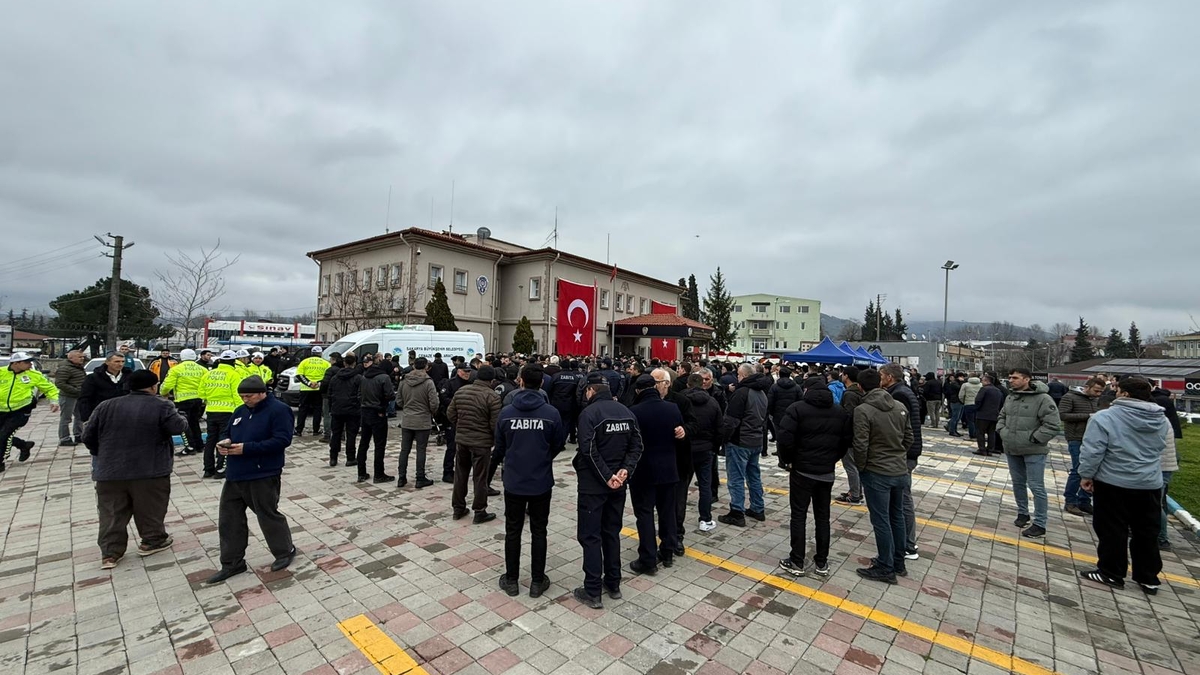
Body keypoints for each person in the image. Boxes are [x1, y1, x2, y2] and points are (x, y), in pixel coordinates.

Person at [82, 369, 185, 569]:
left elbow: (88, 436)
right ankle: (152, 541)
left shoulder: (106, 406)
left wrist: (102, 454)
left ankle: (110, 553)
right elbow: (177, 428)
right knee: (150, 507)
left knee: (111, 512)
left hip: (109, 471)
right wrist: (181, 416)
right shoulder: (161, 405)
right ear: (154, 386)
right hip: (149, 469)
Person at [1077, 376, 1167, 594]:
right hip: (1149, 483)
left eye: (1117, 390)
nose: (1114, 392)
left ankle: (1111, 572)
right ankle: (1148, 577)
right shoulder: (1161, 419)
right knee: (1146, 531)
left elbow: (1093, 450)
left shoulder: (1104, 417)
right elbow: (1159, 448)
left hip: (1113, 481)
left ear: (1125, 394)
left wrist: (1086, 475)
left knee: (1112, 529)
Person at [206, 376, 297, 584]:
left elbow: (282, 440)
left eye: (249, 396)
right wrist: (225, 441)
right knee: (229, 519)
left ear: (262, 393)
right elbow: (229, 431)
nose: (245, 399)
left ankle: (284, 551)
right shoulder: (240, 411)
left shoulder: (278, 410)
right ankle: (232, 562)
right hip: (236, 473)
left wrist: (247, 448)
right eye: (242, 396)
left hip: (263, 473)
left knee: (267, 514)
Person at [493, 366, 566, 598]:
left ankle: (512, 580)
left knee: (513, 531)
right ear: (542, 384)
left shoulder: (506, 413)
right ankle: (536, 581)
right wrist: (543, 458)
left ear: (521, 381)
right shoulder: (551, 414)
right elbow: (557, 445)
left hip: (514, 479)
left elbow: (500, 447)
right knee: (539, 531)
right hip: (540, 480)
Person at [573, 371, 643, 606]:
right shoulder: (626, 412)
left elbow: (588, 450)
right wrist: (624, 471)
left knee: (590, 536)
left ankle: (592, 590)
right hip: (617, 485)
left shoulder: (589, 414)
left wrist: (609, 476)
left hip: (595, 485)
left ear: (591, 391)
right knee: (611, 533)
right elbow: (637, 446)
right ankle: (613, 582)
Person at [776, 379, 850, 578]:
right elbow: (845, 442)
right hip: (826, 472)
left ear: (806, 389)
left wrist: (788, 461)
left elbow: (784, 438)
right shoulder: (839, 412)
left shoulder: (797, 409)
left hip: (802, 470)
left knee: (798, 515)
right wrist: (831, 459)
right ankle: (822, 562)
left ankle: (797, 560)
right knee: (822, 517)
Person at [851, 369, 914, 584]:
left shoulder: (863, 410)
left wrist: (863, 467)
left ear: (860, 387)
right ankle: (898, 561)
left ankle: (886, 566)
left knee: (881, 520)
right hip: (899, 469)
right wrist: (898, 454)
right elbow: (909, 438)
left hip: (877, 471)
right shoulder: (899, 406)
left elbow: (861, 444)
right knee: (896, 516)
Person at [628, 374, 684, 574]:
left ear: (638, 391)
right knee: (667, 512)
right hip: (669, 468)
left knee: (644, 514)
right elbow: (679, 435)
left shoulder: (634, 412)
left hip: (643, 471)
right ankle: (667, 551)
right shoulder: (672, 408)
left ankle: (648, 559)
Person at [997, 367, 1062, 539]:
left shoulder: (1043, 398)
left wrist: (1034, 438)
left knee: (1036, 486)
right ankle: (1023, 513)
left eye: (1015, 377)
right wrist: (1003, 431)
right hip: (1012, 448)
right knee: (1018, 483)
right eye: (1010, 377)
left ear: (1027, 379)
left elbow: (1053, 424)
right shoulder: (1011, 397)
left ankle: (1040, 523)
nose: (1011, 380)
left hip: (1034, 450)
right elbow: (1002, 417)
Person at [718, 364, 771, 527]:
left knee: (736, 477)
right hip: (755, 440)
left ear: (743, 376)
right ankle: (757, 507)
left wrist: (723, 439)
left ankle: (737, 511)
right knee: (753, 475)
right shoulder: (762, 393)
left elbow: (731, 421)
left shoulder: (742, 393)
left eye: (739, 376)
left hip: (740, 441)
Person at [447, 364, 502, 523]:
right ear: (492, 380)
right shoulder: (492, 396)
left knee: (460, 474)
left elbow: (450, 414)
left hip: (462, 440)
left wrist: (462, 425)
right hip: (481, 442)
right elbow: (495, 424)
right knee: (480, 477)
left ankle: (458, 508)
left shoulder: (461, 391)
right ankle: (480, 511)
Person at [879, 364, 922, 561]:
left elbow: (899, 427)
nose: (880, 379)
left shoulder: (899, 395)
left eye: (881, 375)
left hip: (904, 453)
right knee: (900, 498)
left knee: (903, 499)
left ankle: (907, 544)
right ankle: (903, 540)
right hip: (905, 451)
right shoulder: (902, 390)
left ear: (889, 377)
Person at [0, 353, 60, 471]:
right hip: (2, 410)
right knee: (2, 435)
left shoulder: (33, 375)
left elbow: (50, 388)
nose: (30, 364)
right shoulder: (1, 372)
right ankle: (23, 445)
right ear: (16, 363)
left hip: (21, 411)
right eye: (27, 362)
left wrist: (54, 401)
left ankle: (1, 461)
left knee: (4, 435)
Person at [681, 373, 722, 535]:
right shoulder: (712, 403)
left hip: (685, 449)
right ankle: (705, 519)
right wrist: (715, 448)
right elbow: (720, 428)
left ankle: (678, 521)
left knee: (681, 486)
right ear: (703, 384)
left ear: (688, 384)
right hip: (706, 450)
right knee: (705, 486)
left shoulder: (680, 401)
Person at [1058, 377, 1105, 515]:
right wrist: (1089, 416)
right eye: (1096, 390)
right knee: (1078, 470)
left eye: (1101, 391)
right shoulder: (1070, 397)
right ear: (1087, 387)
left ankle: (1084, 500)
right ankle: (1070, 501)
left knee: (1092, 470)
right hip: (1076, 437)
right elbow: (1063, 415)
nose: (1098, 394)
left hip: (1093, 438)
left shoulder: (1096, 400)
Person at [199, 351, 245, 479]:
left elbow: (201, 394)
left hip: (211, 411)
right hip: (228, 412)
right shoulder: (234, 374)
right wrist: (241, 412)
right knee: (224, 440)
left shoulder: (209, 374)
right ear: (234, 361)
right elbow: (237, 395)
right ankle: (221, 469)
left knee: (210, 440)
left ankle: (208, 469)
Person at [397, 357, 440, 488]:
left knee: (404, 450)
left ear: (414, 366)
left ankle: (401, 477)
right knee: (421, 449)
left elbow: (398, 400)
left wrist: (407, 407)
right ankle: (420, 477)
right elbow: (434, 402)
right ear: (426, 367)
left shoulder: (404, 381)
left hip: (407, 419)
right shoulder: (428, 382)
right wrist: (430, 411)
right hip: (422, 420)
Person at [1151, 383, 1183, 551]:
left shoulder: (1156, 417)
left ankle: (1162, 538)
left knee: (1154, 502)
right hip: (1165, 464)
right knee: (1156, 501)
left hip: (1159, 465)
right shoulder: (1162, 417)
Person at [160, 349, 209, 457]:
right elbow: (207, 384)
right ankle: (199, 445)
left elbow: (167, 385)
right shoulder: (202, 369)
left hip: (183, 400)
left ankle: (190, 447)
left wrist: (162, 393)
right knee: (194, 422)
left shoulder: (176, 369)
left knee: (183, 424)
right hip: (198, 399)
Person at [356, 353, 395, 484]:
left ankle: (361, 473)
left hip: (365, 411)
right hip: (378, 412)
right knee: (379, 445)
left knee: (363, 443)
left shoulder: (364, 377)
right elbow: (389, 395)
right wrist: (383, 405)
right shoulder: (384, 378)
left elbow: (359, 395)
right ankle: (378, 474)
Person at [834, 367, 865, 506]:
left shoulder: (850, 394)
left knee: (850, 466)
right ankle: (857, 491)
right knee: (856, 466)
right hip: (857, 434)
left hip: (850, 435)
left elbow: (849, 415)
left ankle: (855, 495)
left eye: (842, 373)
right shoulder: (859, 392)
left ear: (846, 376)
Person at [326, 353, 363, 467]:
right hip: (352, 410)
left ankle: (333, 457)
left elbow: (330, 394)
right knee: (351, 434)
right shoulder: (358, 378)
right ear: (354, 364)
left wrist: (332, 407)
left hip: (337, 409)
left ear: (344, 363)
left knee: (336, 434)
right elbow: (360, 394)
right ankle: (350, 458)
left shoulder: (335, 378)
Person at [79, 352, 132, 423]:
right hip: (102, 415)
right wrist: (86, 418)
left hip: (125, 415)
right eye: (117, 361)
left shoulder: (130, 377)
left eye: (123, 361)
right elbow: (85, 398)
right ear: (107, 362)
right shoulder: (93, 378)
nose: (120, 364)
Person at [293, 346, 329, 436]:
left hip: (305, 389)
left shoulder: (304, 362)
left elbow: (299, 375)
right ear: (321, 353)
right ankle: (316, 430)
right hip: (319, 389)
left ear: (311, 353)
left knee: (303, 409)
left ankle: (299, 430)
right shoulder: (326, 363)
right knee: (317, 409)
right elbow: (327, 377)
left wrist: (309, 383)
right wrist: (318, 383)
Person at [54, 349, 87, 446]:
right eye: (79, 357)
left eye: (82, 357)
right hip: (68, 396)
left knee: (79, 416)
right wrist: (75, 390)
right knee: (66, 418)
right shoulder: (65, 368)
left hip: (78, 396)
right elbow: (60, 383)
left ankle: (79, 435)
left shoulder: (78, 367)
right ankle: (64, 438)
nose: (82, 359)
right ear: (71, 358)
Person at [766, 368, 802, 456]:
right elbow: (801, 400)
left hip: (778, 414)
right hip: (793, 414)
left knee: (779, 434)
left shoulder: (774, 387)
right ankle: (790, 452)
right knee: (792, 434)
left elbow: (770, 401)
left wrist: (772, 412)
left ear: (780, 375)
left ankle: (780, 452)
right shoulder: (796, 387)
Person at [548, 360, 584, 444]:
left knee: (557, 422)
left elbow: (550, 390)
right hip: (569, 403)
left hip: (556, 403)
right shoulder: (574, 378)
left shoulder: (555, 376)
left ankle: (557, 440)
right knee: (566, 423)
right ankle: (562, 440)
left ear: (560, 366)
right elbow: (577, 392)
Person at [972, 374, 1005, 457]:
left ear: (987, 381)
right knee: (991, 433)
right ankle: (990, 449)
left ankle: (982, 449)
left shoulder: (984, 389)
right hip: (994, 415)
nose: (981, 382)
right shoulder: (998, 391)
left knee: (980, 432)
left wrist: (977, 409)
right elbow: (1001, 403)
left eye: (982, 380)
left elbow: (978, 400)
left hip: (983, 415)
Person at [959, 375, 982, 440]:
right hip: (978, 404)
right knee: (977, 420)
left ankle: (972, 434)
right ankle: (977, 434)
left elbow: (961, 395)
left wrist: (964, 401)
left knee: (970, 421)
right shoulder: (981, 385)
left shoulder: (965, 385)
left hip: (968, 404)